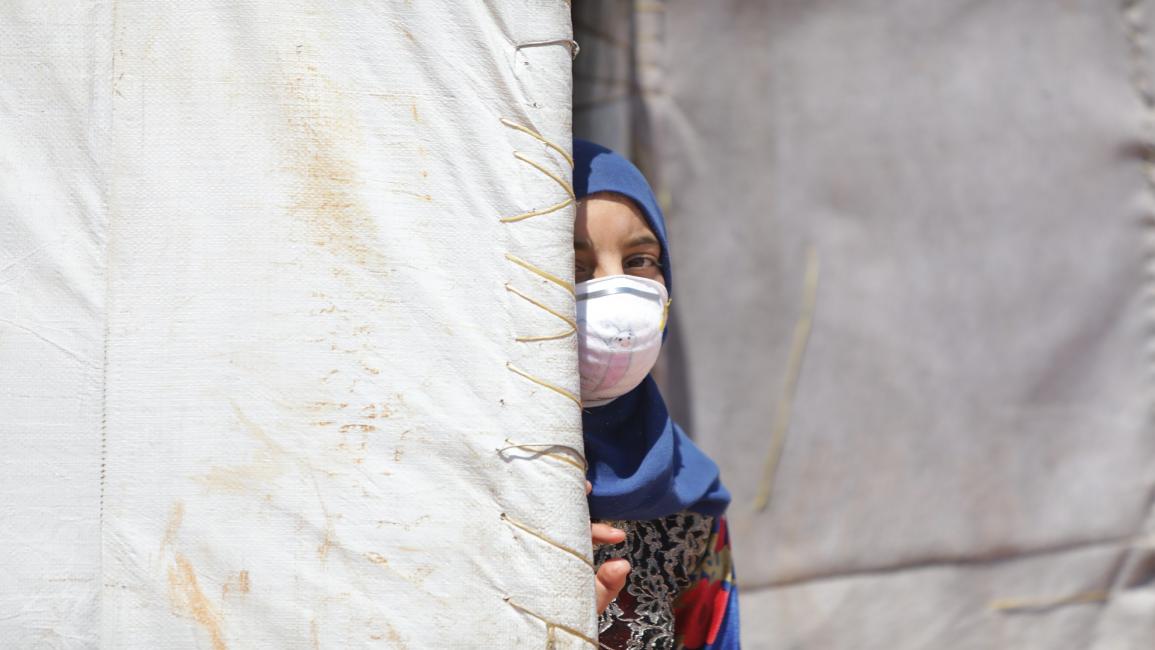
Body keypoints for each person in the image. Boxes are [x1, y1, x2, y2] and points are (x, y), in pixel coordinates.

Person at [575, 140, 740, 650]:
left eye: (640, 259)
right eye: (573, 265)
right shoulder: (456, 479)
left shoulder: (686, 499)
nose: (614, 291)